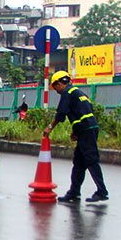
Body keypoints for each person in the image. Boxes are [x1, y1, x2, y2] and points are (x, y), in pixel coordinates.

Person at [43, 71, 108, 203]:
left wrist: (49, 127)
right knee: (79, 162)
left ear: (60, 83)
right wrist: (77, 132)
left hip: (86, 130)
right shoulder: (79, 93)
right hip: (89, 128)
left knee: (91, 160)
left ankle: (102, 191)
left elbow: (61, 114)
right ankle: (74, 192)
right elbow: (81, 113)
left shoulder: (67, 93)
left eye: (55, 87)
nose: (56, 91)